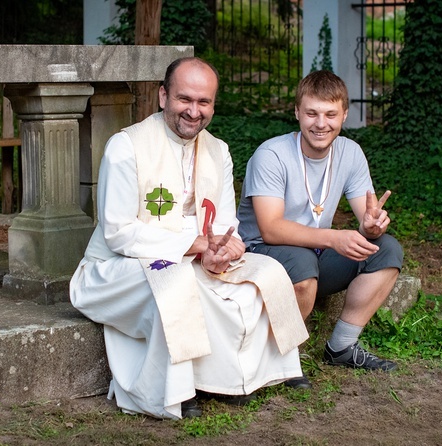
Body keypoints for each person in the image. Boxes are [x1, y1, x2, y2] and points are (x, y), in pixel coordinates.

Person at [69, 57, 309, 420]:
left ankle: (245, 377)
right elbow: (118, 233)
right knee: (177, 282)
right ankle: (175, 392)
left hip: (188, 255)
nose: (194, 112)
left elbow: (225, 223)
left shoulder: (218, 150)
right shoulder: (126, 146)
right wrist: (192, 247)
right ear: (163, 96)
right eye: (185, 99)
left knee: (267, 271)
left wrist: (220, 251)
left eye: (204, 102)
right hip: (118, 267)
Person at [237, 70, 404, 383]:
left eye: (330, 114)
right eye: (312, 113)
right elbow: (271, 229)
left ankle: (341, 346)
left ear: (344, 114)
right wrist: (333, 238)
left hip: (314, 254)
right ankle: (280, 359)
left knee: (386, 250)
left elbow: (366, 220)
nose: (321, 123)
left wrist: (373, 226)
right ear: (297, 112)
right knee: (302, 266)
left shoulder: (350, 153)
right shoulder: (271, 155)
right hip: (259, 253)